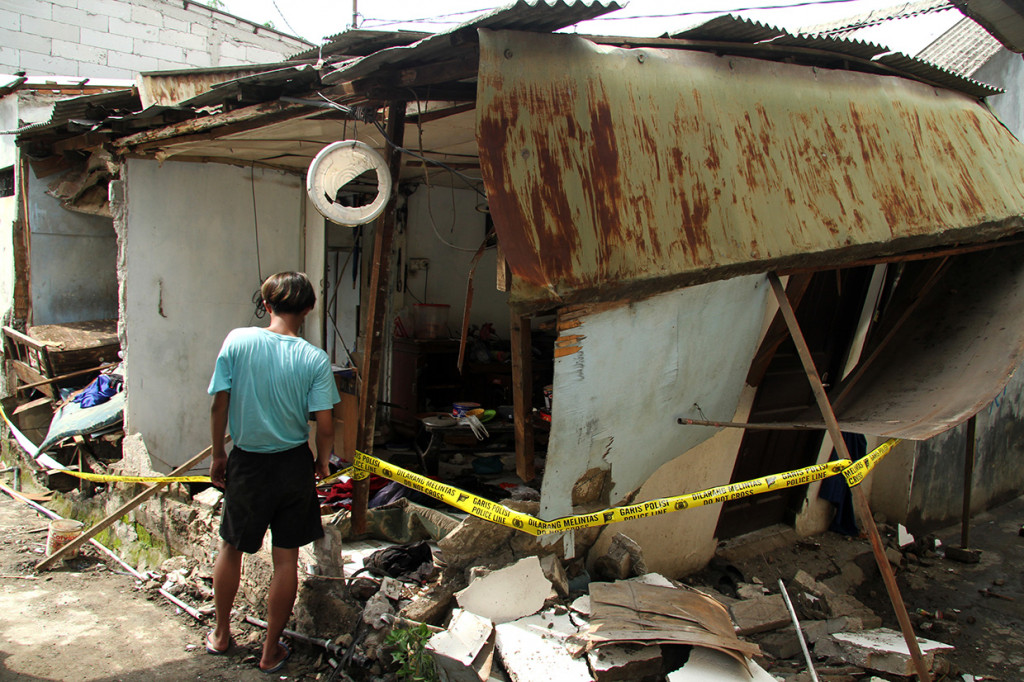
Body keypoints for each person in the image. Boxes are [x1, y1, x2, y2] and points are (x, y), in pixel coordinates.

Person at [204, 271, 341, 673]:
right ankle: (270, 651)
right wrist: (321, 459)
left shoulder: (238, 340)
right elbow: (326, 424)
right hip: (293, 465)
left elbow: (219, 405)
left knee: (230, 548)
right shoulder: (315, 359)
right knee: (286, 560)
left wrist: (217, 455)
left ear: (267, 305)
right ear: (310, 309)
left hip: (247, 462)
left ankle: (221, 634)